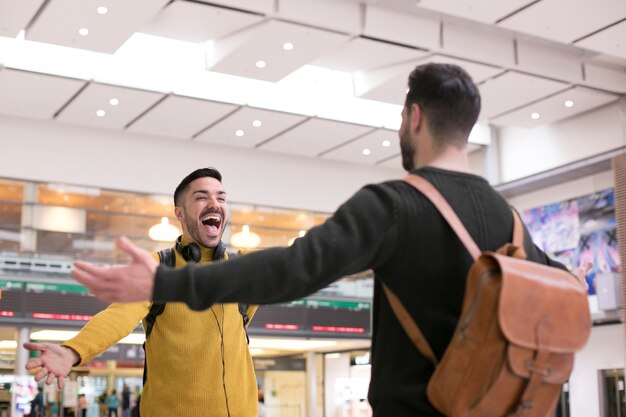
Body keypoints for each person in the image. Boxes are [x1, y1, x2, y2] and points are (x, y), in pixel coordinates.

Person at [71, 63, 591, 416]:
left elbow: (293, 267)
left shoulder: (393, 204)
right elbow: (569, 292)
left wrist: (166, 280)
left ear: (413, 118)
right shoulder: (511, 220)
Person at [23, 168, 259, 417]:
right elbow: (119, 316)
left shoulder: (243, 269)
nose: (214, 204)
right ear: (179, 213)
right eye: (201, 197)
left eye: (221, 198)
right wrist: (74, 351)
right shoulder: (158, 268)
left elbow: (292, 269)